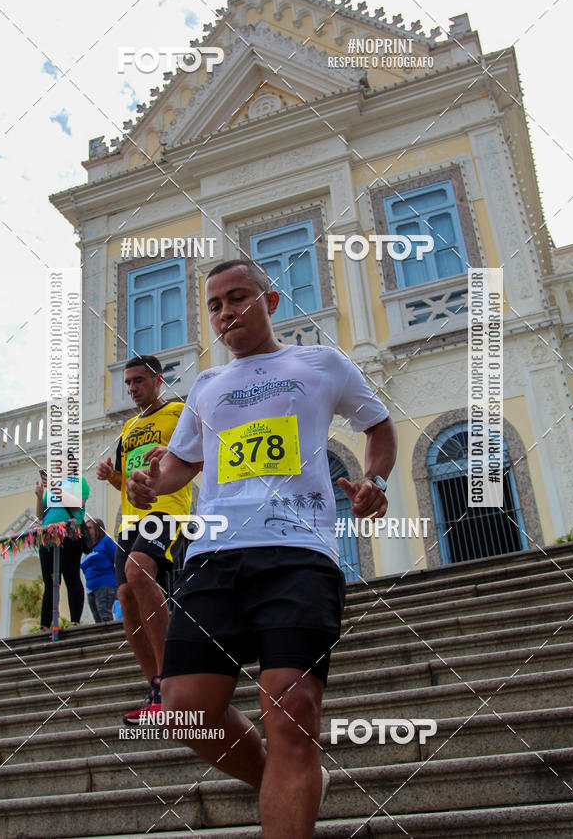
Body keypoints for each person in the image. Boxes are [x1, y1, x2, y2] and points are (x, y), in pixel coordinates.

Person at [127, 259, 397, 839]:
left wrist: (375, 480)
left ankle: (292, 776)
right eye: (215, 305)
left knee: (293, 714)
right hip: (213, 557)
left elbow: (378, 424)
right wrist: (150, 483)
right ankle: (291, 780)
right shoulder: (205, 385)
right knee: (185, 708)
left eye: (238, 297)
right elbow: (178, 467)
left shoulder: (320, 363)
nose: (226, 311)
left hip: (299, 554)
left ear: (270, 303)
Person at [96, 354, 192, 724]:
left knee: (138, 573)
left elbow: (196, 455)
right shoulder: (128, 429)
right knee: (124, 594)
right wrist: (111, 476)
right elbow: (126, 482)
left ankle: (174, 683)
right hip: (130, 521)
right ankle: (156, 686)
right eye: (129, 384)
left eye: (139, 381)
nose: (133, 388)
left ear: (158, 379)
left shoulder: (180, 412)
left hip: (167, 509)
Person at [34, 467, 89, 630]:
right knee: (49, 581)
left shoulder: (78, 482)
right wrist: (39, 496)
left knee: (71, 576)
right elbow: (41, 515)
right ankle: (45, 624)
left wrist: (54, 487)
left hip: (69, 533)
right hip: (48, 535)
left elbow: (78, 505)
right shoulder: (54, 486)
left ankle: (75, 621)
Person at [80, 517, 117, 623]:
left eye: (90, 528)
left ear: (98, 529)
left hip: (105, 585)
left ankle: (110, 638)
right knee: (98, 620)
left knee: (105, 616)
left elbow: (118, 559)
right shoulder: (89, 549)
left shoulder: (106, 542)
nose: (87, 531)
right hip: (91, 589)